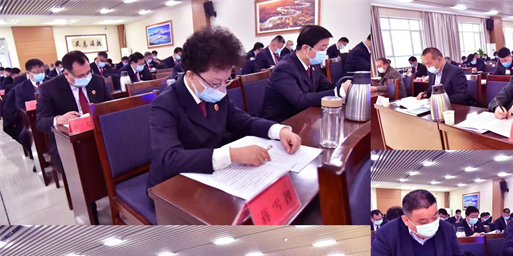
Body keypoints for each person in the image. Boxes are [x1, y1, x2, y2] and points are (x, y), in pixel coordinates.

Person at [146, 27, 302, 190]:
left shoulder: (215, 93)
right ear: (191, 76)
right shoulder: (165, 104)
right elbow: (170, 158)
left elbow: (243, 121)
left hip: (212, 176)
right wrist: (231, 155)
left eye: (226, 81)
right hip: (173, 184)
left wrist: (279, 131)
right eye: (215, 83)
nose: (221, 89)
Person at [371, 190, 486, 256]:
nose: (431, 224)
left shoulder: (446, 228)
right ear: (406, 220)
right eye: (423, 221)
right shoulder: (387, 233)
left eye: (434, 217)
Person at [36, 51, 113, 173]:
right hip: (69, 142)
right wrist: (58, 119)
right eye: (80, 76)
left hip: (99, 133)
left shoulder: (97, 80)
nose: (86, 78)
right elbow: (40, 122)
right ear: (66, 74)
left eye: (88, 73)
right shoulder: (49, 88)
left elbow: (110, 106)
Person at [262, 25, 350, 122]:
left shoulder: (313, 64)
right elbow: (300, 101)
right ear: (306, 49)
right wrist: (338, 93)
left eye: (326, 48)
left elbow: (325, 86)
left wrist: (345, 86)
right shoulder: (284, 68)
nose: (324, 52)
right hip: (283, 122)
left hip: (306, 117)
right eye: (322, 49)